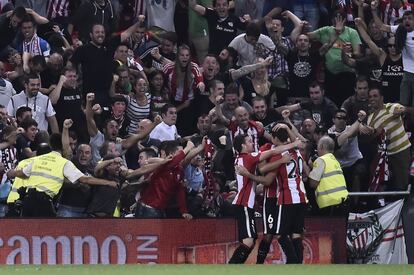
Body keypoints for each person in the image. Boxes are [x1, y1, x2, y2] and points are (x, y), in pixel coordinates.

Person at [228, 133, 300, 264]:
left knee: (250, 241)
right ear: (243, 145)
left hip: (244, 204)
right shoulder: (248, 157)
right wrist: (293, 145)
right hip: (243, 204)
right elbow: (274, 151)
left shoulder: (240, 159)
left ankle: (235, 266)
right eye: (249, 141)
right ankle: (232, 266)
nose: (252, 143)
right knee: (249, 242)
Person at [6, 133, 118, 217]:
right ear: (63, 147)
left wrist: (11, 173)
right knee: (49, 236)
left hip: (28, 200)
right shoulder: (63, 163)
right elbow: (85, 179)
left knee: (26, 234)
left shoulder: (37, 159)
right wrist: (108, 183)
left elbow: (19, 173)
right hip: (43, 202)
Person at [361, 88, 411, 191]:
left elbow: (404, 109)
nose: (372, 99)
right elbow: (372, 137)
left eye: (375, 96)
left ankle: (405, 205)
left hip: (401, 151)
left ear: (381, 98)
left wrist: (402, 110)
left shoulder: (390, 107)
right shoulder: (370, 118)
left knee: (402, 183)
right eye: (370, 96)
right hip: (385, 156)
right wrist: (372, 132)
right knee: (389, 184)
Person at [308, 136, 349, 216]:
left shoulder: (321, 160)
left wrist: (308, 168)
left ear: (322, 147)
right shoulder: (334, 161)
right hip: (343, 201)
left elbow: (313, 184)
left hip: (330, 203)